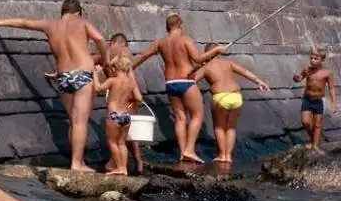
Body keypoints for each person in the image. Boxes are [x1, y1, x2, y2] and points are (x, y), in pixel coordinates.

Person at [0, 0, 109, 172]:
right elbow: (100, 39)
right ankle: (77, 163)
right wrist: (105, 60)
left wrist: (0, 21)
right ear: (78, 12)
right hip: (82, 74)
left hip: (63, 77)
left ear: (63, 12)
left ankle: (76, 161)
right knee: (80, 122)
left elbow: (25, 23)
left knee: (73, 121)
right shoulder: (82, 23)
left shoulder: (50, 25)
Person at [132, 14, 224, 164]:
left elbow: (143, 57)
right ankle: (189, 150)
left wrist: (129, 68)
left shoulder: (161, 43)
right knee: (197, 115)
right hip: (186, 81)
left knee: (180, 118)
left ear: (167, 27)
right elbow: (198, 59)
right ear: (181, 25)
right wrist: (216, 50)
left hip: (170, 83)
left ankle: (182, 153)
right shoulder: (185, 39)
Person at [188, 48, 269, 165]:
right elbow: (245, 72)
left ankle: (222, 155)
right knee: (231, 128)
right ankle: (228, 156)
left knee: (219, 128)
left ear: (207, 54)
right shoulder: (228, 63)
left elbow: (191, 81)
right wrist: (259, 81)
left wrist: (197, 68)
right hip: (236, 96)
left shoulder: (207, 67)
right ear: (218, 54)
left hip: (220, 97)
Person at [93, 55, 142, 176]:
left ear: (115, 68)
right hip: (126, 115)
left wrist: (95, 74)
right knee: (121, 143)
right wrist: (129, 101)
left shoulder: (112, 81)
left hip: (114, 115)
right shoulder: (131, 82)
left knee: (112, 142)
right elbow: (139, 98)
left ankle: (119, 168)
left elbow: (98, 88)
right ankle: (124, 168)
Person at [107, 33, 145, 174]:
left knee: (115, 137)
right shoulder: (125, 53)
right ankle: (137, 162)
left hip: (119, 96)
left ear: (113, 42)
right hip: (129, 92)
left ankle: (117, 164)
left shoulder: (115, 51)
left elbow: (99, 62)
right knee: (127, 134)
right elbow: (131, 74)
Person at [293, 48, 335, 149]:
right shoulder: (306, 69)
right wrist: (296, 78)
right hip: (307, 99)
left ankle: (315, 146)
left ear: (322, 60)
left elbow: (331, 88)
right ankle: (314, 139)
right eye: (311, 58)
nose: (312, 60)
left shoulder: (327, 73)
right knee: (305, 122)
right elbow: (299, 78)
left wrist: (333, 102)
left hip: (319, 101)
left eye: (316, 59)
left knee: (317, 125)